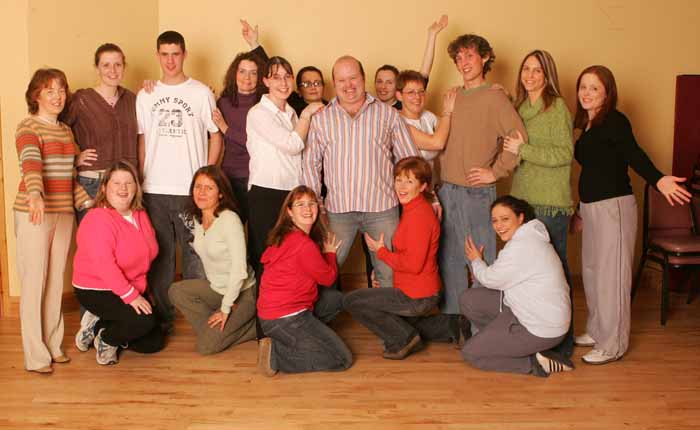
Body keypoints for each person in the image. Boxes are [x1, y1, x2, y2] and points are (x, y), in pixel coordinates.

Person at [571, 65, 690, 364]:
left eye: (594, 88)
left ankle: (613, 345)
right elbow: (592, 172)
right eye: (583, 87)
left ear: (607, 92)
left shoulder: (615, 121)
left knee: (612, 277)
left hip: (615, 208)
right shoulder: (586, 124)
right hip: (592, 208)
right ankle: (598, 331)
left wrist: (658, 179)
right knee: (593, 273)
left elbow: (634, 154)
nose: (587, 93)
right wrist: (580, 210)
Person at [301, 55, 419, 289]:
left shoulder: (388, 115)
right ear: (334, 84)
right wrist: (316, 205)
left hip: (382, 210)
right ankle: (318, 325)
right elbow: (310, 164)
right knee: (324, 274)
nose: (348, 85)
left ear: (364, 79)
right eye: (342, 80)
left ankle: (390, 325)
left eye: (353, 78)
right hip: (337, 212)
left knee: (389, 275)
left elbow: (409, 161)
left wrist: (413, 204)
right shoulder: (322, 119)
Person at [136, 30, 222, 330]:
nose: (170, 60)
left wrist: (207, 176)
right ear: (157, 56)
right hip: (155, 188)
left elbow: (216, 135)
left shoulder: (200, 92)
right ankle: (163, 317)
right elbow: (143, 141)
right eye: (164, 54)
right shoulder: (146, 95)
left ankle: (199, 315)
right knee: (159, 254)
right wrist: (142, 177)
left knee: (195, 253)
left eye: (175, 53)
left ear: (184, 54)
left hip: (190, 189)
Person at [438, 34, 527, 320]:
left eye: (470, 56)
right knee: (450, 258)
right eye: (459, 58)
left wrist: (496, 171)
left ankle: (482, 322)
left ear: (485, 57)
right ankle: (454, 320)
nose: (463, 63)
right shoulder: (453, 96)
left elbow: (518, 138)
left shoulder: (495, 97)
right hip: (448, 190)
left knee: (480, 258)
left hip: (476, 193)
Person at [344, 157, 468, 360]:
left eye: (409, 181)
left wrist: (382, 252)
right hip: (415, 290)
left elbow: (413, 264)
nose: (401, 186)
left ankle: (405, 339)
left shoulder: (419, 216)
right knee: (398, 317)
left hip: (418, 295)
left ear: (423, 186)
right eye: (398, 179)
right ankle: (452, 326)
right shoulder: (412, 209)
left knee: (352, 301)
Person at [14, 68, 92, 374]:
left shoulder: (64, 131)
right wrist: (35, 194)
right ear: (36, 96)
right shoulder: (28, 126)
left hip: (63, 214)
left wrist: (88, 202)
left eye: (61, 90)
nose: (57, 96)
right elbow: (31, 163)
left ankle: (53, 344)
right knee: (34, 282)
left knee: (55, 281)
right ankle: (35, 356)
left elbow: (67, 176)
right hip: (34, 211)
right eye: (50, 91)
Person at [501, 49, 575, 357]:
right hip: (524, 205)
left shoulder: (556, 107)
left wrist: (524, 149)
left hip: (551, 204)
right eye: (526, 69)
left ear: (548, 76)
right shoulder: (518, 107)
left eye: (537, 71)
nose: (530, 75)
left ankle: (563, 345)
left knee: (556, 276)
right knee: (526, 275)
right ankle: (534, 338)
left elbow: (564, 154)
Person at [461, 196, 573, 377]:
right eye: (495, 221)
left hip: (541, 328)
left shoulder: (522, 246)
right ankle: (506, 344)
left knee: (471, 353)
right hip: (525, 311)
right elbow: (498, 277)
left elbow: (490, 279)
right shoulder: (527, 237)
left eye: (505, 219)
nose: (499, 226)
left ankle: (534, 362)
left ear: (521, 218)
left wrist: (476, 261)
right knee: (469, 300)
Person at [73, 161, 164, 365]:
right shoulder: (97, 218)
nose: (123, 189)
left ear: (136, 188)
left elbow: (145, 256)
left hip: (127, 286)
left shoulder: (139, 214)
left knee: (154, 342)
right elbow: (105, 265)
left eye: (129, 183)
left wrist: (142, 292)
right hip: (97, 288)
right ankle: (106, 339)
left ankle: (98, 325)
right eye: (116, 183)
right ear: (105, 187)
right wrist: (132, 297)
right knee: (143, 321)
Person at [256, 186, 351, 376]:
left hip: (272, 316)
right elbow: (328, 278)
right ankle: (276, 355)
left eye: (312, 203)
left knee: (335, 300)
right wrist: (330, 254)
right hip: (286, 318)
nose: (308, 209)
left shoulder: (284, 236)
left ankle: (295, 340)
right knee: (342, 359)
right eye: (300, 204)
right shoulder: (303, 244)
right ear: (289, 212)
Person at [246, 56, 323, 278]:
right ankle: (266, 311)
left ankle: (291, 310)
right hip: (266, 193)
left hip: (291, 194)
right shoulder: (258, 113)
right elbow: (292, 145)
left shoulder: (291, 113)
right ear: (266, 81)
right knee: (266, 256)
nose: (283, 82)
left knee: (294, 255)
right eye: (276, 77)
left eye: (287, 76)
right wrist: (308, 114)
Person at [169, 166, 257, 355]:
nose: (202, 192)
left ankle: (257, 327)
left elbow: (240, 269)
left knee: (205, 346)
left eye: (209, 188)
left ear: (221, 194)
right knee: (176, 290)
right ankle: (217, 330)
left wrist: (227, 306)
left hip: (244, 293)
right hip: (217, 289)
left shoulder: (230, 220)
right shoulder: (198, 220)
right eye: (198, 186)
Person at [63, 43, 138, 224]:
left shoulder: (133, 99)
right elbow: (56, 129)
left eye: (118, 64)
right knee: (95, 245)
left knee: (125, 245)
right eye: (106, 65)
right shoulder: (82, 100)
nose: (112, 70)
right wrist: (74, 158)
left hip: (126, 186)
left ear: (124, 67)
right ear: (97, 68)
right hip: (93, 184)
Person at [212, 21, 269, 225]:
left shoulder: (266, 104)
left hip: (258, 179)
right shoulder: (223, 103)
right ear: (234, 74)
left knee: (257, 236)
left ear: (261, 77)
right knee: (232, 234)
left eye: (254, 73)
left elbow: (254, 141)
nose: (247, 78)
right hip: (229, 178)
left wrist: (226, 128)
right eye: (242, 71)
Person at [373, 15, 449, 110]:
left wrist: (432, 35)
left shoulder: (407, 105)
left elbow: (424, 73)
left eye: (389, 82)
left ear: (398, 86)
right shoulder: (370, 107)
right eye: (379, 82)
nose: (383, 87)